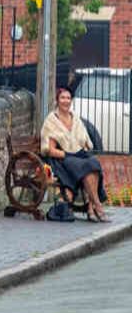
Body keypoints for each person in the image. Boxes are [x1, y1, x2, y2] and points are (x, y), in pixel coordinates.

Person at [41, 87, 109, 222]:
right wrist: (67, 155)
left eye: (68, 98)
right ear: (57, 100)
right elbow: (50, 150)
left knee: (93, 163)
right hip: (62, 158)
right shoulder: (52, 120)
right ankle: (97, 206)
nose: (66, 101)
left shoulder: (75, 118)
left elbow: (84, 140)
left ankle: (91, 208)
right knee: (86, 167)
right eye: (62, 98)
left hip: (77, 154)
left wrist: (81, 149)